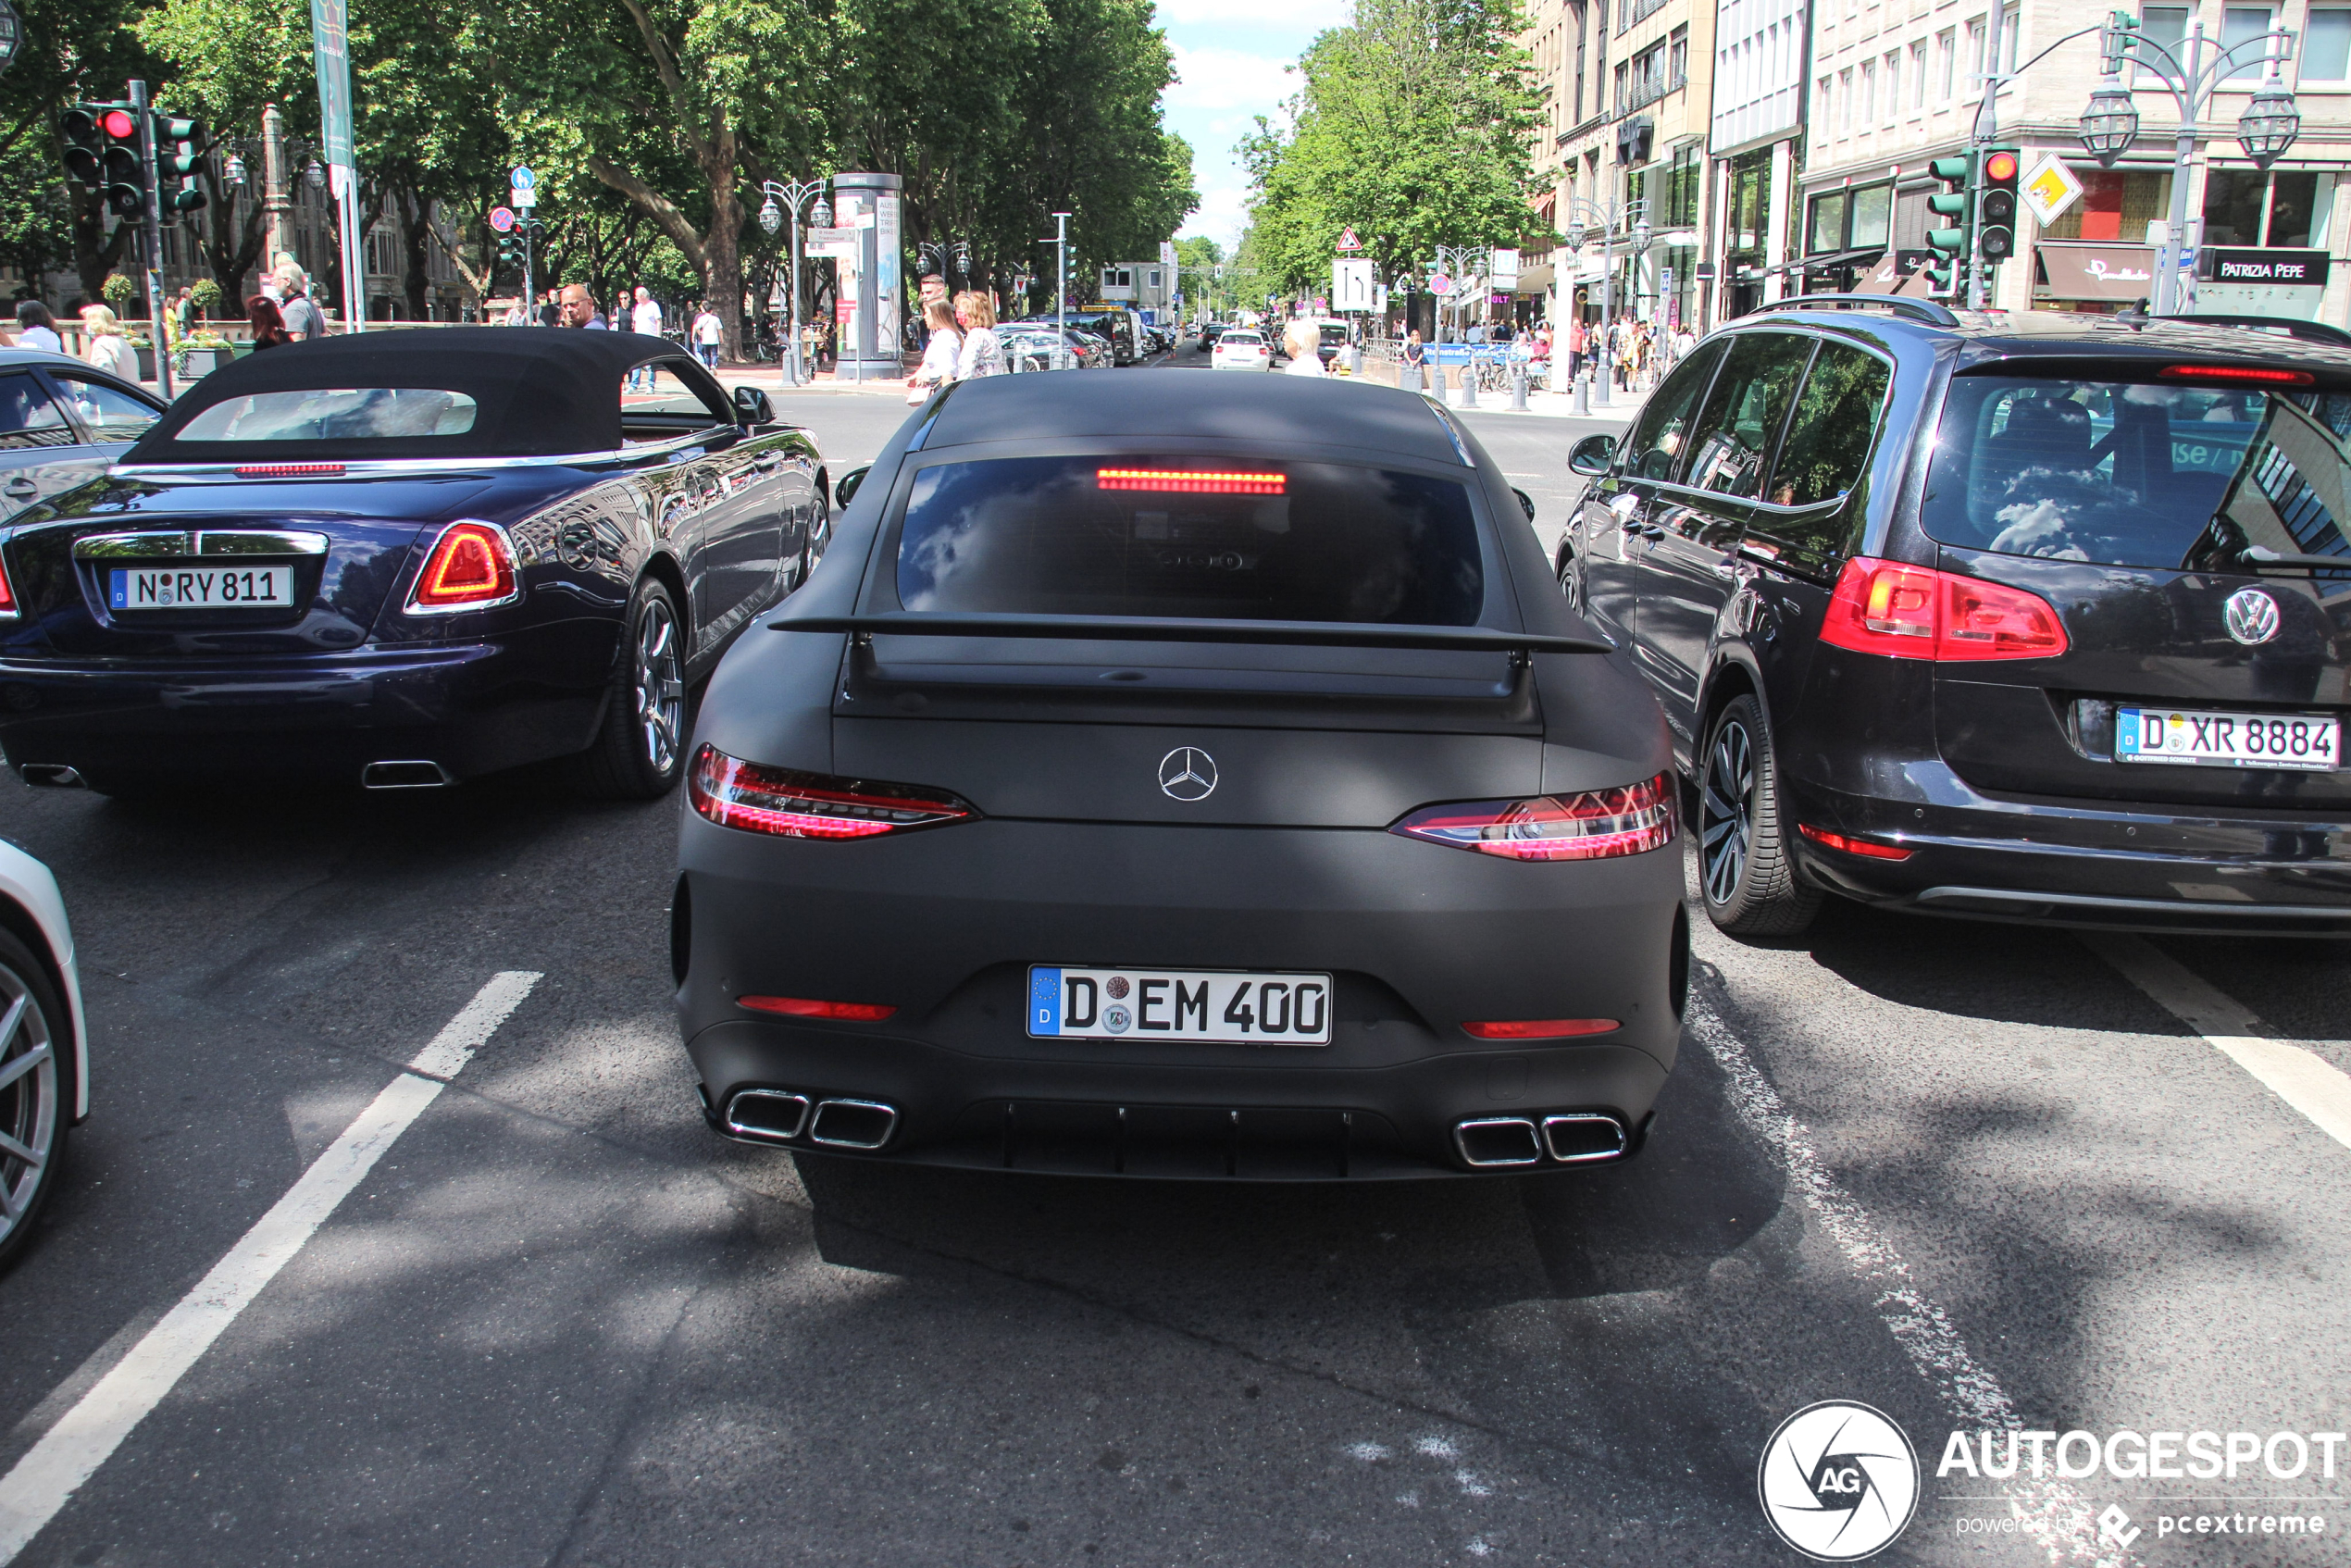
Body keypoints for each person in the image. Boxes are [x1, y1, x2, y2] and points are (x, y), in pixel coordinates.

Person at [906, 300, 962, 401]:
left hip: (940, 389)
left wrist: (945, 400)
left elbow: (947, 371)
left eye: (927, 313)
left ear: (937, 315)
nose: (924, 317)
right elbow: (931, 363)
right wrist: (919, 375)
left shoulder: (945, 336)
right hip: (937, 388)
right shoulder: (940, 335)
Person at [952, 291, 1004, 379]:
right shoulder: (991, 334)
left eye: (960, 311)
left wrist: (957, 389)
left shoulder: (975, 335)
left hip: (979, 388)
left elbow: (967, 370)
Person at [80, 305, 139, 380]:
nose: (86, 325)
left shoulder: (101, 344)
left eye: (87, 322)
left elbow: (104, 376)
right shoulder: (122, 342)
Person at [627, 286, 664, 388]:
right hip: (638, 338)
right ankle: (634, 385)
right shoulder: (638, 307)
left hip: (650, 338)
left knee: (650, 363)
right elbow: (635, 322)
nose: (635, 297)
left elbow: (658, 321)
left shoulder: (653, 306)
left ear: (643, 296)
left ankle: (651, 385)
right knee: (636, 362)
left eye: (637, 295)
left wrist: (658, 336)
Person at [277, 268, 327, 342]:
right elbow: (324, 334)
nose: (273, 283)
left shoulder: (296, 308)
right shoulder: (309, 304)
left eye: (276, 280)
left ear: (288, 281)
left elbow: (295, 347)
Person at [691, 301, 723, 368]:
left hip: (705, 339)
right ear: (711, 311)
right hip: (714, 339)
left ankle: (708, 366)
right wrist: (721, 338)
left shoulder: (701, 318)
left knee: (707, 354)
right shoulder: (716, 319)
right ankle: (713, 365)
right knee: (714, 354)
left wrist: (699, 333)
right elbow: (719, 329)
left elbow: (696, 327)